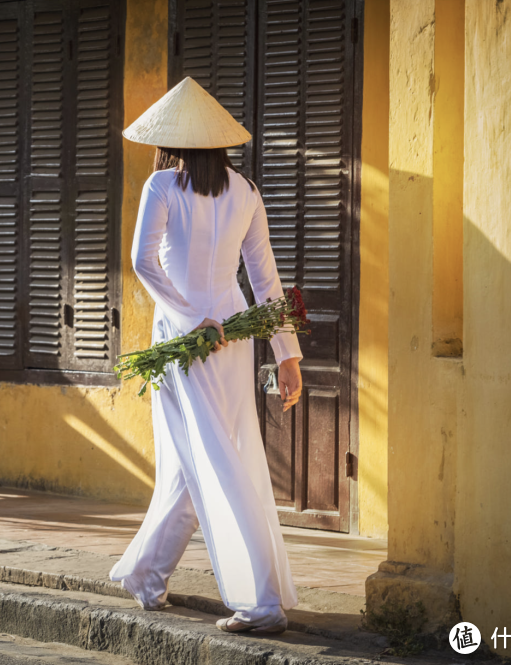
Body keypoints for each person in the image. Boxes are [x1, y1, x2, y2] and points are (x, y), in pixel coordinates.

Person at [108, 78, 304, 635]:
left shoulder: (162, 186)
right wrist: (285, 351)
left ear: (174, 140)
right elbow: (266, 279)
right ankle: (148, 574)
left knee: (215, 459)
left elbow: (144, 262)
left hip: (184, 336)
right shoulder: (245, 190)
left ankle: (260, 600)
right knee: (193, 458)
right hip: (234, 337)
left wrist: (191, 321)